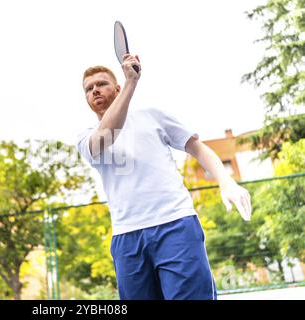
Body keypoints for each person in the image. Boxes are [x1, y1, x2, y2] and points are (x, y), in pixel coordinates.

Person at [75, 54, 252, 300]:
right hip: (127, 238)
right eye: (88, 88)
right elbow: (107, 133)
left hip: (176, 225)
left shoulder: (151, 115)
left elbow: (196, 147)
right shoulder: (86, 139)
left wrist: (226, 180)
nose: (95, 90)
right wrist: (131, 83)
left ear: (116, 88)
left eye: (101, 84)